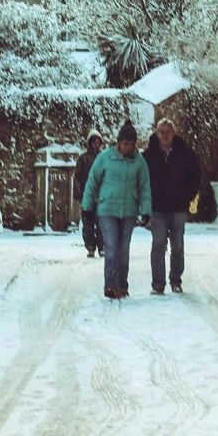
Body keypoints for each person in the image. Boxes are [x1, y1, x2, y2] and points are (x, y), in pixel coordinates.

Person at [81, 119, 151, 300]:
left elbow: (144, 187)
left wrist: (146, 210)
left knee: (124, 250)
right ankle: (110, 285)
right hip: (107, 209)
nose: (129, 147)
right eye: (126, 143)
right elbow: (92, 182)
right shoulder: (104, 157)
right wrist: (87, 205)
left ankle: (122, 285)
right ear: (119, 142)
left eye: (132, 144)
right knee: (111, 247)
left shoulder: (139, 161)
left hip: (128, 211)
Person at [144, 118, 201, 294]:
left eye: (168, 131)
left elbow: (196, 176)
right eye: (161, 132)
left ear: (173, 133)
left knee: (178, 245)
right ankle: (158, 283)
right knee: (158, 244)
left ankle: (176, 280)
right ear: (156, 133)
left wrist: (187, 196)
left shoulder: (185, 154)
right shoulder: (148, 156)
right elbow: (142, 180)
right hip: (157, 207)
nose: (165, 135)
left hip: (178, 207)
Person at [74, 130, 105, 258]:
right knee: (87, 224)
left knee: (101, 223)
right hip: (87, 195)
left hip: (102, 196)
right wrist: (78, 194)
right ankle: (90, 246)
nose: (96, 144)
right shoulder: (83, 159)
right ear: (90, 143)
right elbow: (77, 177)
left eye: (98, 142)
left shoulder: (104, 157)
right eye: (94, 142)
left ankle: (102, 246)